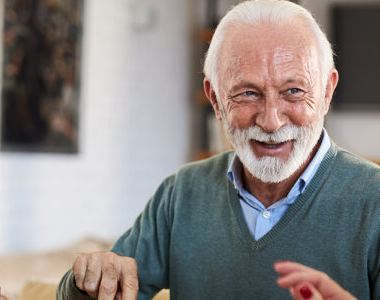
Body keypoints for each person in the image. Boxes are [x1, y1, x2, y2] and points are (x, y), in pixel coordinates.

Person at [57, 0, 380, 299]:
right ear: (215, 99)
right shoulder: (182, 193)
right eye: (248, 93)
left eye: (293, 91)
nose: (271, 121)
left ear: (326, 92)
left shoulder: (375, 201)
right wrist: (86, 280)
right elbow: (102, 287)